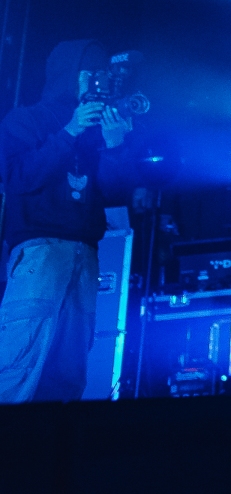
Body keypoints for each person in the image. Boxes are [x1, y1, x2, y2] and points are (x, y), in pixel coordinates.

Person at [0, 39, 138, 401]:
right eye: (91, 75)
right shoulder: (27, 120)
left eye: (103, 76)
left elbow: (114, 193)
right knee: (20, 364)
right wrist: (69, 132)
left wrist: (115, 146)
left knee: (69, 372)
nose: (99, 83)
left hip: (86, 253)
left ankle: (56, 435)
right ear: (71, 75)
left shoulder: (98, 128)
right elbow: (17, 178)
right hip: (41, 251)